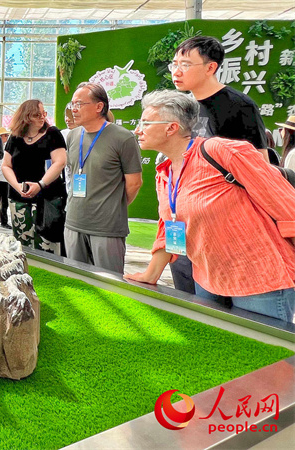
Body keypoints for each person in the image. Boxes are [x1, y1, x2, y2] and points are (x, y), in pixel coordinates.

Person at [125, 90, 295, 322]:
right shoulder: (165, 173)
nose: (138, 130)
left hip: (258, 277)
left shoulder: (221, 151)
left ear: (171, 128)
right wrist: (151, 274)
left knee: (259, 344)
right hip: (207, 278)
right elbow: (169, 225)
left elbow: (284, 203)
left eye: (145, 123)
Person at [170, 36, 270, 294]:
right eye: (174, 64)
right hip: (184, 219)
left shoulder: (239, 106)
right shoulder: (183, 107)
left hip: (225, 224)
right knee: (185, 297)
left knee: (217, 302)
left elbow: (260, 167)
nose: (176, 71)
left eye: (185, 64)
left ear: (210, 67)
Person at [65, 82, 143, 273]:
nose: (73, 109)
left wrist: (112, 205)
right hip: (73, 222)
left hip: (107, 228)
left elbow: (134, 183)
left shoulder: (123, 138)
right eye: (72, 104)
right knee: (76, 281)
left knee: (108, 282)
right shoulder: (72, 136)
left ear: (99, 106)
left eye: (79, 104)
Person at [1, 100, 67, 254]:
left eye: (44, 113)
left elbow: (60, 162)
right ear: (26, 117)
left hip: (48, 200)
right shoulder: (15, 137)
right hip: (19, 200)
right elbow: (6, 165)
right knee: (21, 246)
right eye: (37, 115)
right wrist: (17, 186)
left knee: (48, 246)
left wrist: (41, 184)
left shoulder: (52, 134)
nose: (42, 117)